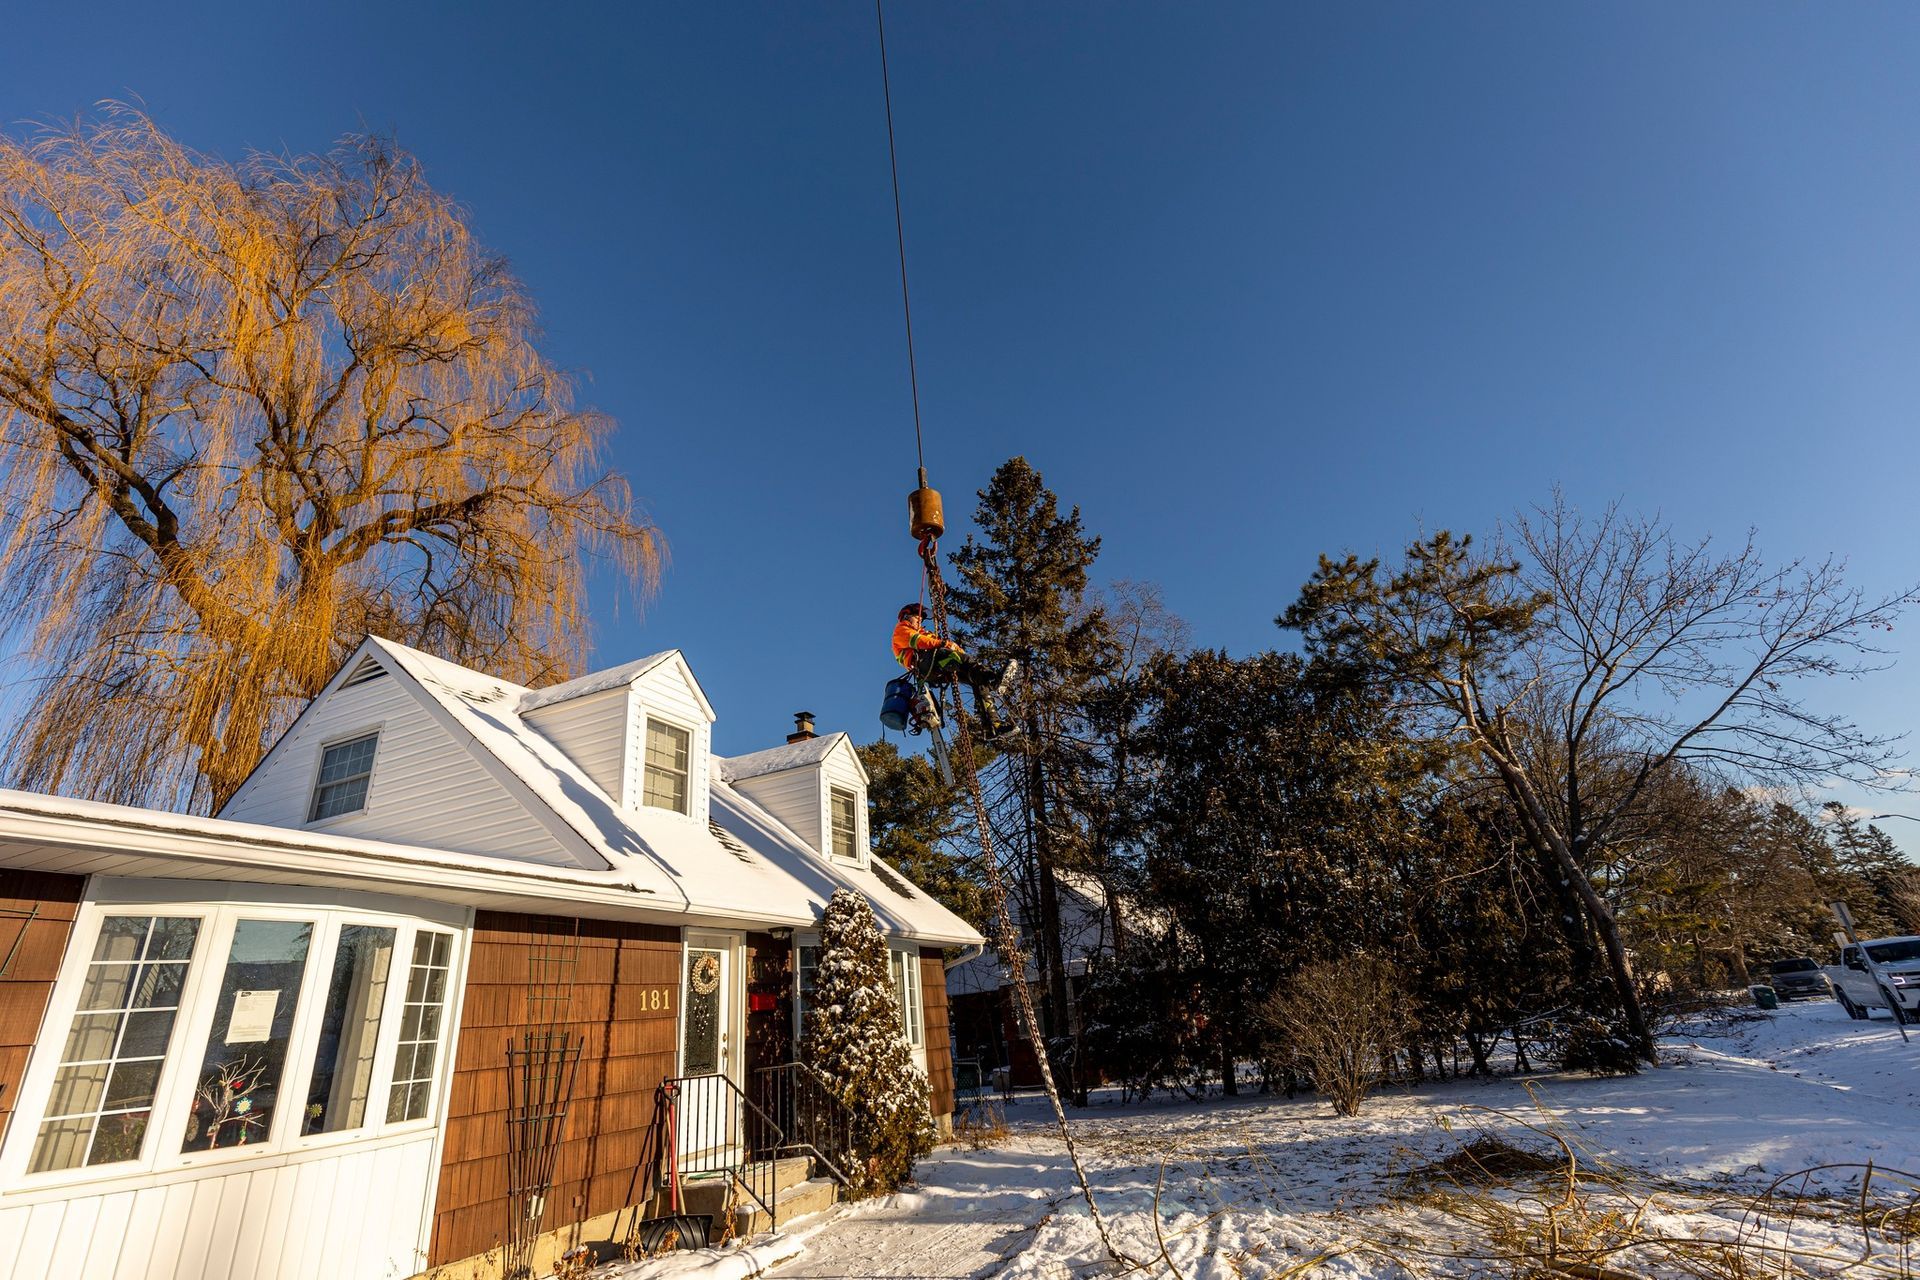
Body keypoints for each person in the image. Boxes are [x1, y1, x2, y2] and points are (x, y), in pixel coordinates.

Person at [892, 602, 1009, 738]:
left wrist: (959, 651)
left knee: (977, 680)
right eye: (918, 617)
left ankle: (992, 725)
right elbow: (919, 641)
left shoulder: (924, 633)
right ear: (907, 616)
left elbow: (938, 644)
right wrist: (944, 644)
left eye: (922, 618)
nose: (920, 620)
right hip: (925, 664)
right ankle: (993, 679)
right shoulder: (901, 630)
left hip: (936, 665)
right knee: (958, 658)